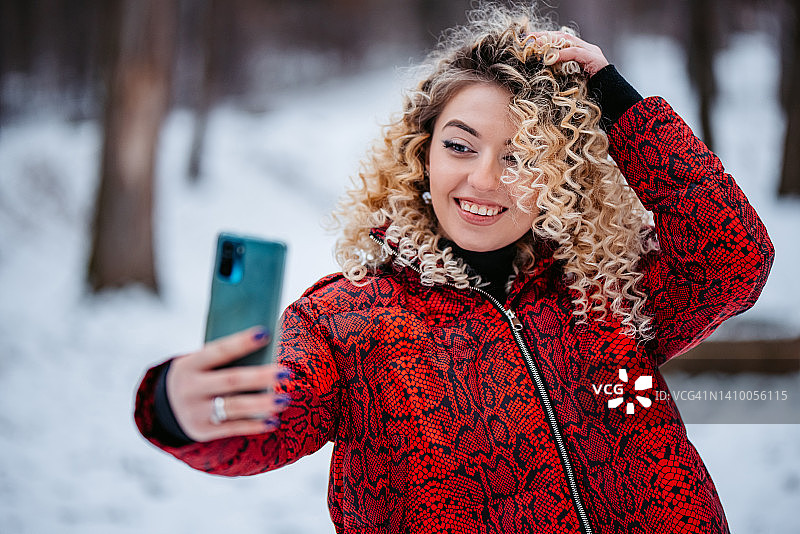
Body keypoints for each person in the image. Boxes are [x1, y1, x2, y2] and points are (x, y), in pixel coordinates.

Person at [134, 3, 774, 533]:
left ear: (562, 175)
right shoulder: (347, 321)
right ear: (422, 153)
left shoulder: (604, 295)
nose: (484, 179)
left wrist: (617, 102)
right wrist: (186, 409)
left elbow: (735, 255)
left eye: (522, 156)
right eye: (460, 145)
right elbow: (272, 416)